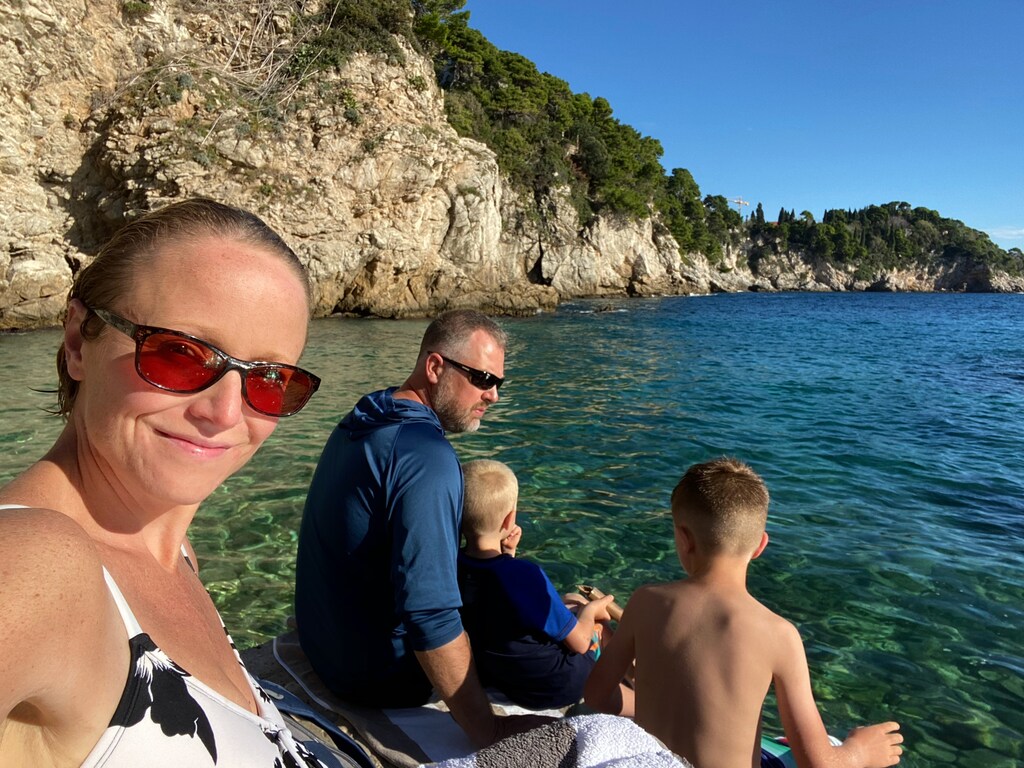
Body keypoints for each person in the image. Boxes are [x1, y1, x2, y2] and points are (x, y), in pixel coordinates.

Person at [0, 199, 340, 766]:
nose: (226, 413)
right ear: (79, 341)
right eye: (181, 355)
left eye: (271, 379)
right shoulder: (34, 565)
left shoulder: (174, 550)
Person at [295, 310, 548, 747]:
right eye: (484, 379)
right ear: (435, 367)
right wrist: (490, 728)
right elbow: (430, 614)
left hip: (324, 646)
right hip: (378, 679)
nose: (494, 396)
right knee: (525, 608)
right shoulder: (429, 459)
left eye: (498, 383)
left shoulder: (366, 417)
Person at [584, 458, 904, 768]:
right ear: (761, 546)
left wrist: (655, 712)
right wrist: (859, 753)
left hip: (654, 763)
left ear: (683, 538)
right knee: (832, 744)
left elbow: (598, 695)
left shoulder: (645, 601)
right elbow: (817, 763)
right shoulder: (779, 634)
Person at [457, 459, 618, 709]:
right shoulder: (526, 574)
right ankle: (628, 696)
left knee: (570, 600)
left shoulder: (452, 564)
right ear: (509, 519)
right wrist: (590, 612)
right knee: (591, 620)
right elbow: (579, 642)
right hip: (556, 685)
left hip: (504, 678)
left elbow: (496, 596)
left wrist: (507, 554)